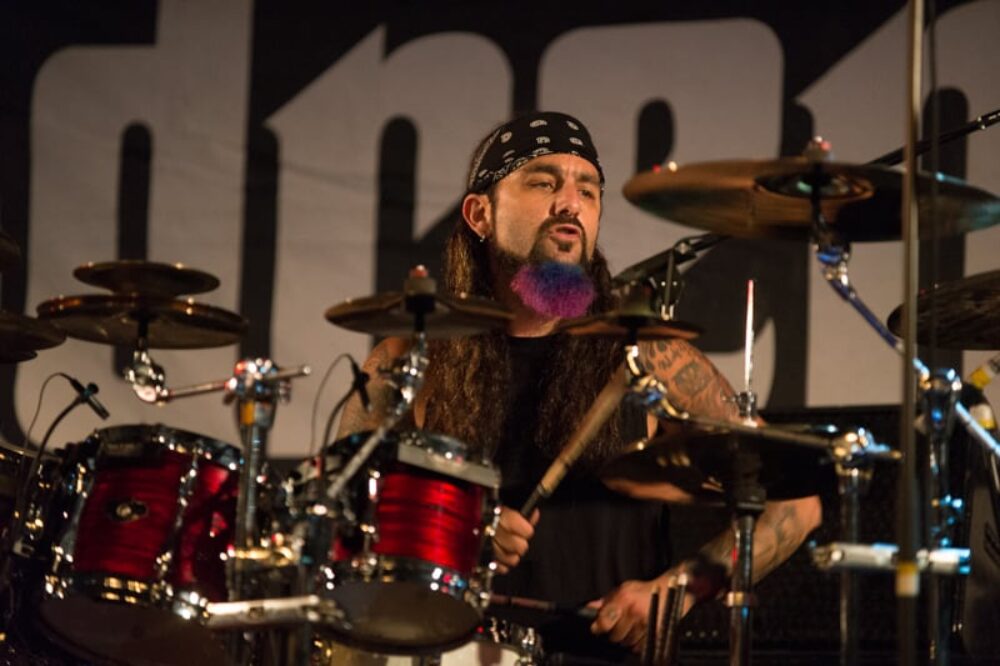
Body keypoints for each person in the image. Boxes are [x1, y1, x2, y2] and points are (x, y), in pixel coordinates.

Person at [337, 111, 822, 663]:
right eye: (543, 183)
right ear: (479, 213)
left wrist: (678, 591)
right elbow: (337, 519)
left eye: (587, 191)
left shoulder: (649, 358)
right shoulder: (411, 358)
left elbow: (796, 505)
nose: (570, 204)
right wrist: (452, 534)